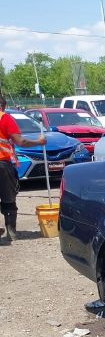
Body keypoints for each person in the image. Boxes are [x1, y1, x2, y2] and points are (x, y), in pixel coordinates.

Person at [0, 94, 46, 242]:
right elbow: (21, 141)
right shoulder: (5, 118)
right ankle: (11, 232)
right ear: (4, 106)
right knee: (8, 198)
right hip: (2, 164)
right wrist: (39, 141)